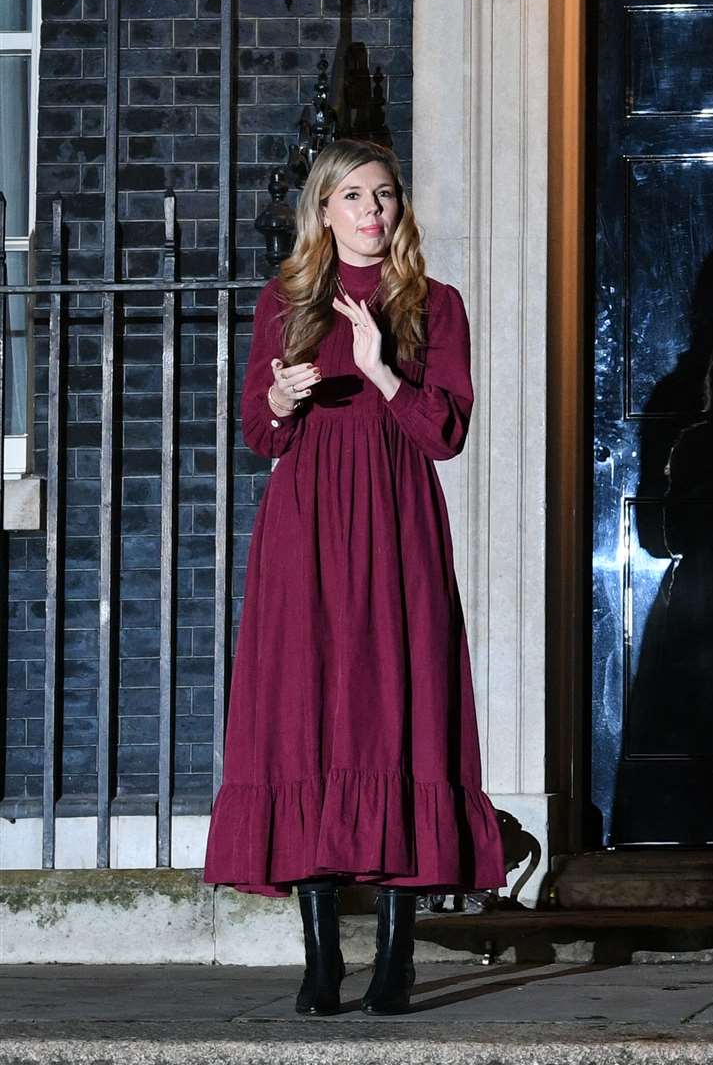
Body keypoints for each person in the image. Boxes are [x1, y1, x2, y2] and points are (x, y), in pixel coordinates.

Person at [203, 139, 505, 1016]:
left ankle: (397, 957)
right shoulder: (285, 301)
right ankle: (321, 958)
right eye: (354, 198)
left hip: (398, 523)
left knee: (399, 711)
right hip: (304, 532)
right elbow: (262, 440)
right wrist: (280, 400)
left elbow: (444, 434)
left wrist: (378, 370)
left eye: (384, 196)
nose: (373, 212)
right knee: (308, 719)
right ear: (323, 211)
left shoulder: (433, 304)